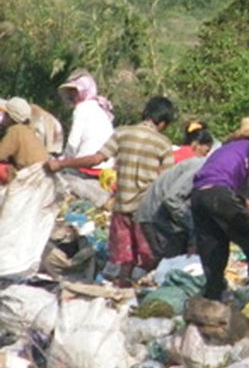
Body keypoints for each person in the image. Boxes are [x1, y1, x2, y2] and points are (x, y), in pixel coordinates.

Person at [47, 97, 177, 285]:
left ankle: (120, 284)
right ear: (163, 122)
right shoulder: (163, 143)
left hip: (121, 205)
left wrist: (62, 163)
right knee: (148, 255)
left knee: (124, 257)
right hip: (146, 210)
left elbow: (95, 159)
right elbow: (167, 181)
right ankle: (138, 288)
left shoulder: (122, 133)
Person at [191, 116, 249, 301]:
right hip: (218, 194)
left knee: (215, 245)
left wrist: (245, 200)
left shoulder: (227, 149)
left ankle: (213, 297)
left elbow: (238, 182)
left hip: (198, 195)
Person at [0, 98, 60, 277]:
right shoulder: (28, 131)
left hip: (31, 180)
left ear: (11, 117)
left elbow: (1, 154)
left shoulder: (15, 131)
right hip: (42, 180)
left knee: (12, 219)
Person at [136, 152, 211, 263]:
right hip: (157, 216)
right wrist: (193, 226)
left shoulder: (205, 166)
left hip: (167, 216)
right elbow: (172, 199)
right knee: (170, 263)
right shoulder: (201, 167)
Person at [57, 70, 115, 205]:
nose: (73, 96)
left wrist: (63, 162)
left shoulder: (82, 109)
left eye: (75, 92)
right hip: (107, 164)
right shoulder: (99, 108)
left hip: (88, 164)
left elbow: (73, 142)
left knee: (62, 180)